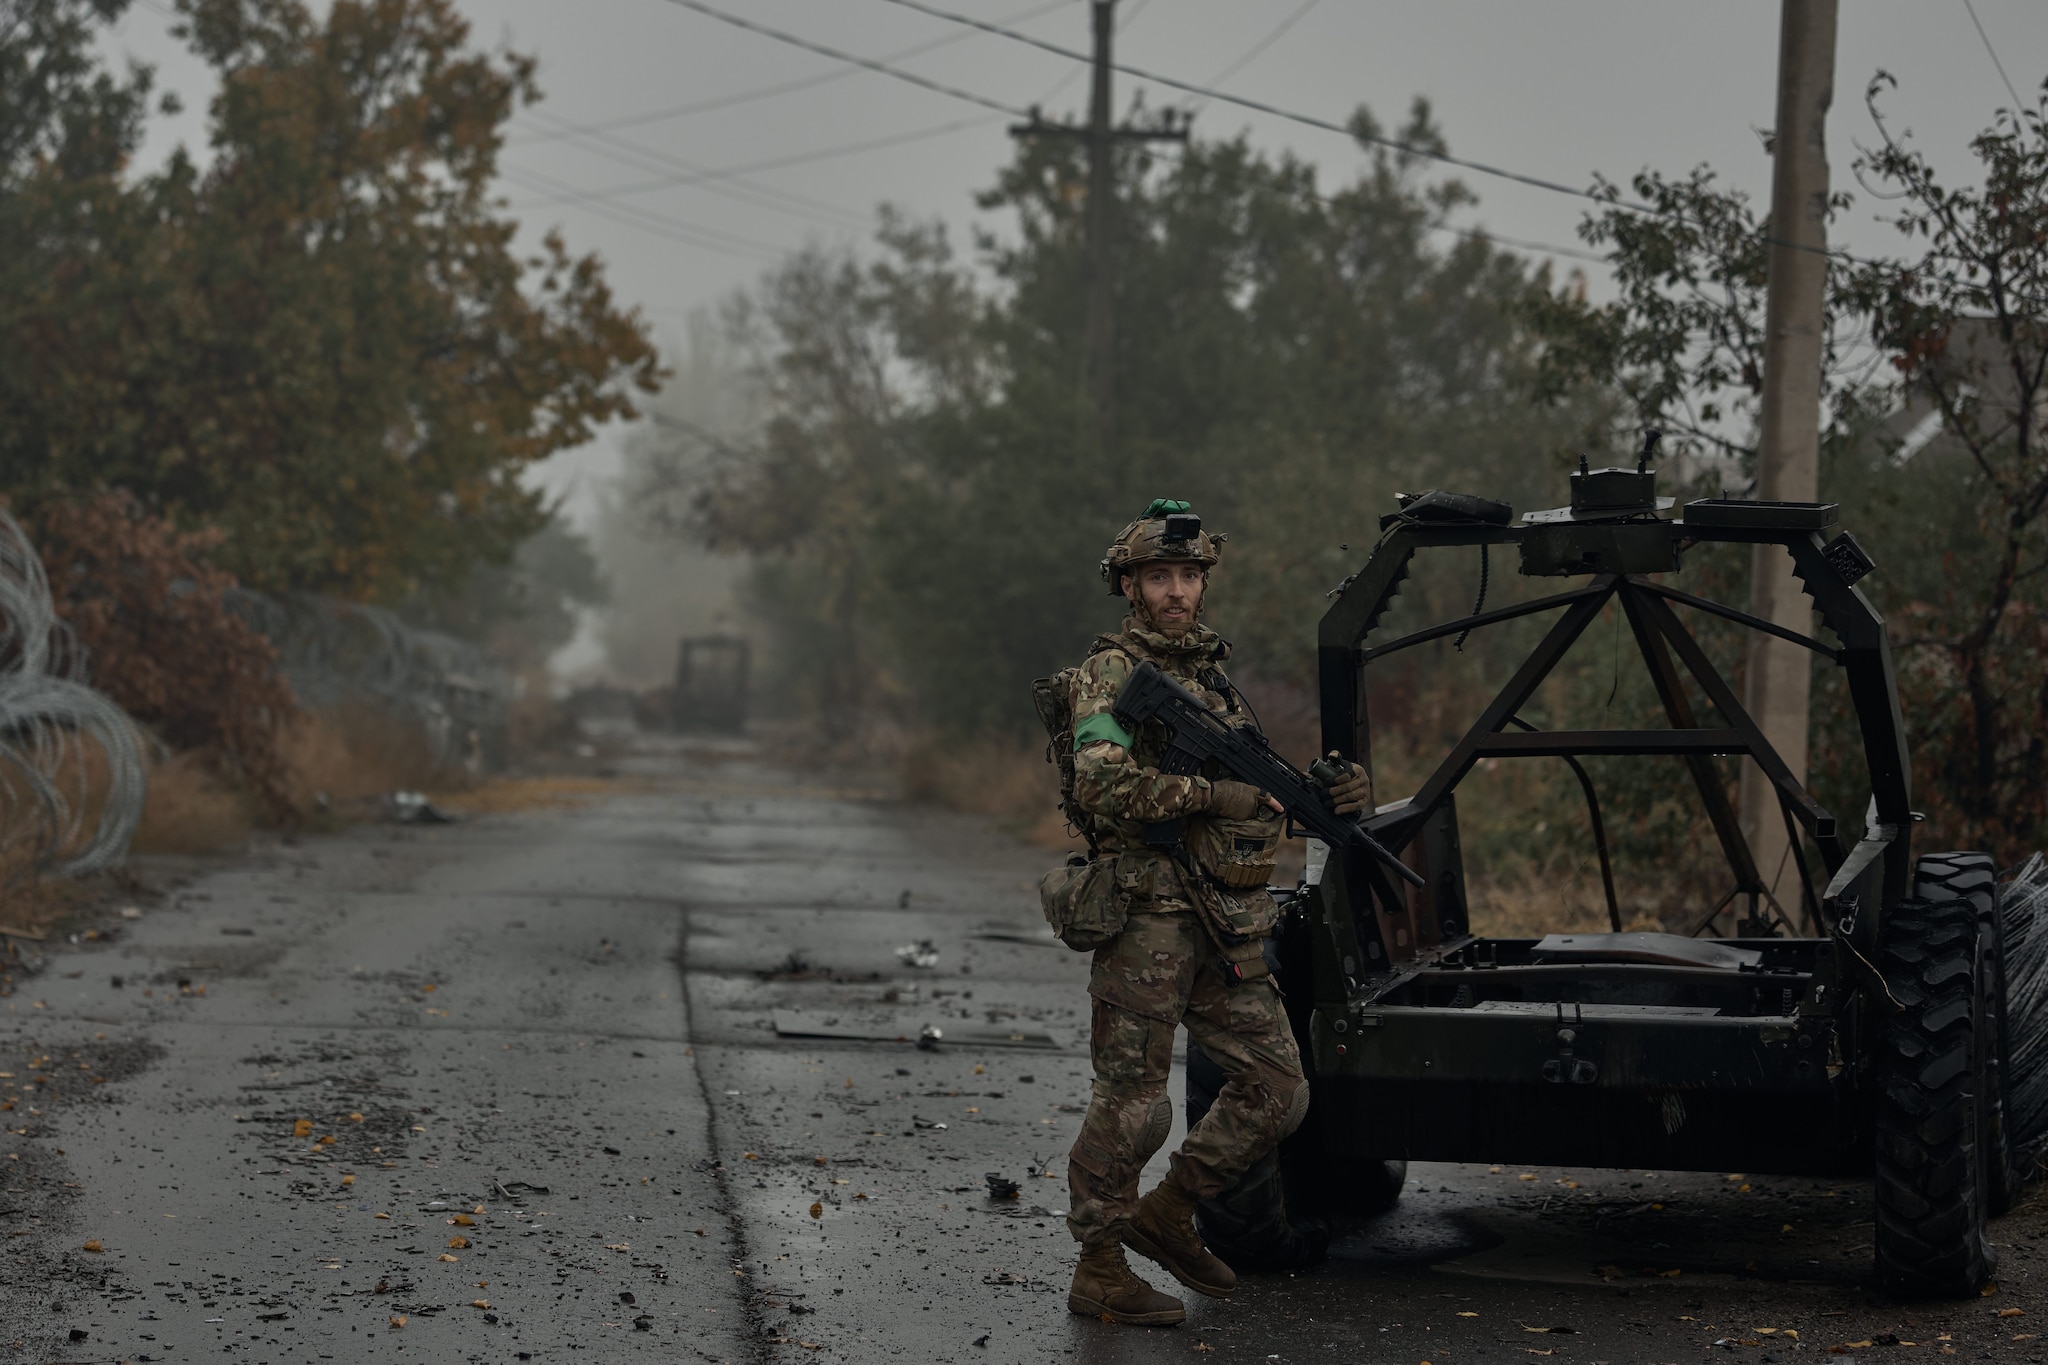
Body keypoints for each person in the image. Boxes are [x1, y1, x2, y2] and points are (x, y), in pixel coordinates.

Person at [1060, 498, 1372, 1326]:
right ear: (1129, 584)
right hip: (1145, 920)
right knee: (1132, 1103)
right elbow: (1099, 780)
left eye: (1189, 576)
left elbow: (1258, 792)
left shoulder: (1212, 680)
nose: (1176, 591)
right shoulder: (1108, 673)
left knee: (1278, 1085)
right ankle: (1098, 1268)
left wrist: (1328, 795)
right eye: (1159, 576)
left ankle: (1168, 1211)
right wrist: (1209, 792)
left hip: (1223, 923)